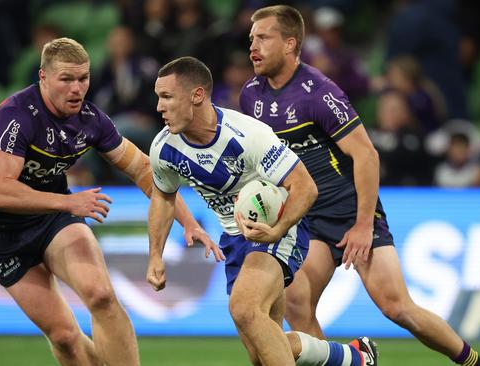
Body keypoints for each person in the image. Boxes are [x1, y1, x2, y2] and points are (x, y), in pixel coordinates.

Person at [239, 5, 480, 366]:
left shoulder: (318, 93)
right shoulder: (251, 96)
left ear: (290, 44)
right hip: (306, 215)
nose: (253, 47)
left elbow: (367, 156)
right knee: (296, 301)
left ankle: (473, 362)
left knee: (397, 308)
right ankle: (344, 362)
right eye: (251, 39)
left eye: (263, 37)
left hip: (349, 209)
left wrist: (362, 224)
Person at [0, 37, 216, 366]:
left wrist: (189, 223)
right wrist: (68, 204)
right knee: (65, 338)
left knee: (101, 296)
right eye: (66, 79)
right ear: (43, 77)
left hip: (52, 221)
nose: (77, 89)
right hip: (1, 235)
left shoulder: (90, 120)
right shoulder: (16, 116)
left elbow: (144, 170)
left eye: (83, 78)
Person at [146, 56, 378, 366]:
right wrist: (155, 255)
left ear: (197, 95)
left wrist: (278, 229)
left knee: (244, 308)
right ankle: (352, 357)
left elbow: (305, 187)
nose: (159, 106)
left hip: (278, 227)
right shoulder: (164, 148)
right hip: (234, 239)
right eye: (158, 97)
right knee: (262, 350)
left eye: (167, 97)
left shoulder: (248, 135)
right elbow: (163, 197)